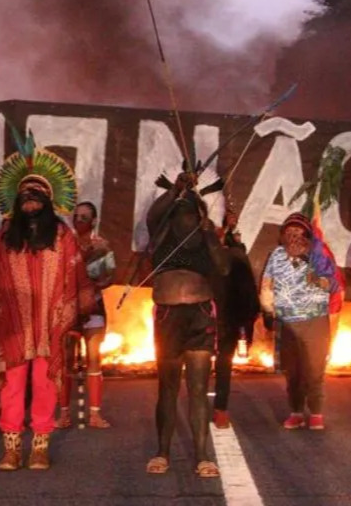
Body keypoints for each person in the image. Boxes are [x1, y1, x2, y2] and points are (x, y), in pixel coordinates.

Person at [0, 145, 90, 471]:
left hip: (49, 325)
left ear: (48, 201)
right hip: (13, 328)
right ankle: (11, 447)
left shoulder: (62, 235)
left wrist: (71, 315)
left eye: (37, 193)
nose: (30, 198)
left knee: (44, 385)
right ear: (16, 200)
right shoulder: (2, 238)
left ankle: (40, 446)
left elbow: (76, 274)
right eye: (25, 193)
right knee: (12, 387)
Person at [143, 172, 228, 478]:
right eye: (179, 213)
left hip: (201, 315)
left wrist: (209, 235)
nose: (185, 219)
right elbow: (154, 214)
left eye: (191, 213)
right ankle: (162, 452)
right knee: (167, 388)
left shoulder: (205, 238)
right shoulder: (162, 232)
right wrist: (177, 190)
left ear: (199, 214)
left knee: (197, 387)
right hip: (168, 316)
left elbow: (224, 267)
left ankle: (203, 456)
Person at [260, 212, 339, 432]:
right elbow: (267, 282)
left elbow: (332, 285)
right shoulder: (276, 255)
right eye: (289, 231)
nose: (293, 235)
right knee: (292, 370)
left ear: (307, 234)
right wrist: (268, 308)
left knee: (314, 369)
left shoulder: (318, 254)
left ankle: (315, 411)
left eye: (298, 231)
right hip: (287, 321)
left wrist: (314, 274)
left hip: (315, 321)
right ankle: (296, 411)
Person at [57, 201, 115, 430]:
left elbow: (110, 276)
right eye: (76, 216)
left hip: (94, 308)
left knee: (93, 357)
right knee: (66, 360)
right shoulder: (63, 245)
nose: (78, 221)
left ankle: (94, 414)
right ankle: (63, 414)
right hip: (68, 309)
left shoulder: (103, 246)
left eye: (84, 217)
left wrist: (92, 282)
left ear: (93, 221)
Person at [213, 207, 258, 429]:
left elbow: (248, 292)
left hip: (228, 316)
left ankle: (220, 407)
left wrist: (245, 324)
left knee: (224, 361)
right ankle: (205, 406)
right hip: (202, 314)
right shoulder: (201, 248)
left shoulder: (238, 254)